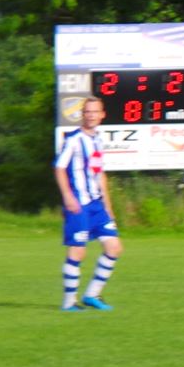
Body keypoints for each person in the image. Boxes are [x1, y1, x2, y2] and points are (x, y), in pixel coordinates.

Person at [54, 96, 122, 311]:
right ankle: (69, 303)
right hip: (79, 203)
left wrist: (108, 205)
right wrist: (67, 196)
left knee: (114, 247)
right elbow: (59, 168)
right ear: (82, 115)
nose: (91, 115)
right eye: (87, 112)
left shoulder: (97, 140)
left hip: (96, 204)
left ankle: (92, 295)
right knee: (78, 252)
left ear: (102, 115)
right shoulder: (74, 139)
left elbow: (99, 172)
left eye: (95, 112)